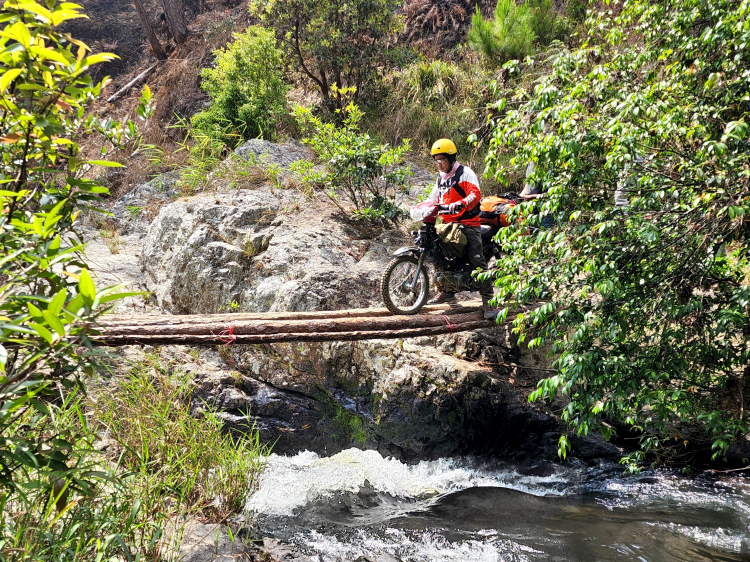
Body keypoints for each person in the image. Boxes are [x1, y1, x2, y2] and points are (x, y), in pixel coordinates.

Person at [424, 138, 498, 319]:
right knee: (438, 253)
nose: (439, 163)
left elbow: (475, 194)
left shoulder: (465, 173)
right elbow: (433, 198)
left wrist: (461, 203)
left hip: (468, 225)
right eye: (436, 160)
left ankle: (488, 302)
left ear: (451, 157)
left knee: (478, 262)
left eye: (442, 159)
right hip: (448, 225)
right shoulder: (441, 178)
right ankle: (446, 291)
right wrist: (423, 207)